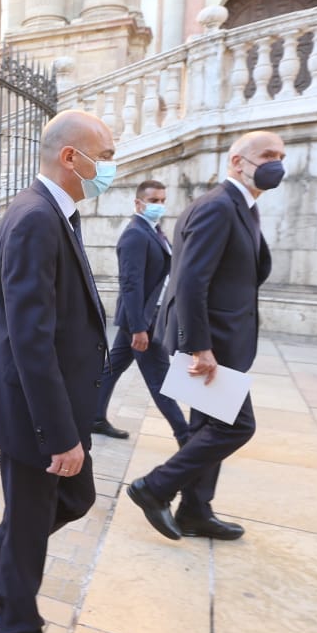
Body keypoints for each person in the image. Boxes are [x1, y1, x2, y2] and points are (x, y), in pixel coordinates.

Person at [0, 110, 116, 633]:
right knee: (29, 522)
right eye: (106, 155)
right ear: (71, 158)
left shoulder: (52, 215)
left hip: (50, 403)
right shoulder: (36, 219)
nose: (110, 168)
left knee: (73, 496)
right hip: (33, 407)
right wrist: (59, 434)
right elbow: (30, 338)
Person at [126, 131, 284, 542]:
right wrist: (200, 347)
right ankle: (154, 486)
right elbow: (191, 282)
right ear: (237, 162)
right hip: (211, 342)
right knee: (236, 427)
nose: (276, 163)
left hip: (225, 338)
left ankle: (195, 510)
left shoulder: (243, 207)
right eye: (267, 155)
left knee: (206, 427)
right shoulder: (218, 207)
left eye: (281, 156)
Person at [91, 181, 190, 445]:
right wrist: (138, 328)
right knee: (160, 378)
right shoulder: (135, 234)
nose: (159, 205)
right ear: (138, 203)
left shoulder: (154, 230)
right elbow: (130, 284)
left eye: (162, 200)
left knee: (113, 367)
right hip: (142, 321)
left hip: (147, 316)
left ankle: (94, 417)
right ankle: (185, 436)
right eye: (154, 200)